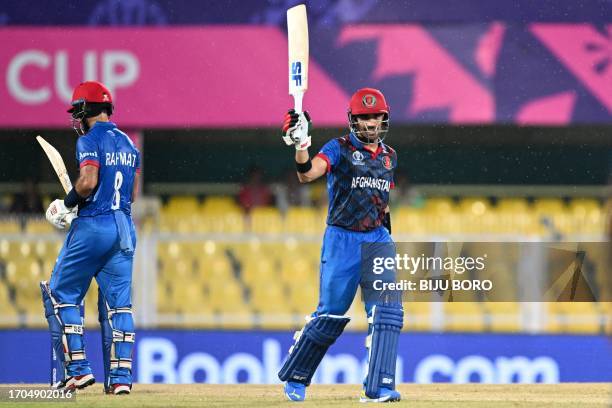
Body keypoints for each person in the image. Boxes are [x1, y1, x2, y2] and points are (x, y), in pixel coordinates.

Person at [278, 88, 403, 402]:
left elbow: (383, 204)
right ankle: (297, 374)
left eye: (376, 116)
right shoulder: (338, 148)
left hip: (378, 238)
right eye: (364, 117)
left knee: (387, 312)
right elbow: (307, 174)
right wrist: (301, 145)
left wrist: (387, 240)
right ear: (353, 119)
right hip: (342, 239)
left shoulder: (390, 156)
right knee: (331, 314)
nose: (371, 123)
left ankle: (378, 387)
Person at [40, 81, 140, 395]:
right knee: (118, 307)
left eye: (77, 111)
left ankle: (78, 371)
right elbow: (131, 195)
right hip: (123, 226)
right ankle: (121, 379)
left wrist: (66, 205)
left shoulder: (89, 140)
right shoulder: (129, 143)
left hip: (94, 226)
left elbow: (87, 181)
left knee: (60, 292)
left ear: (85, 110)